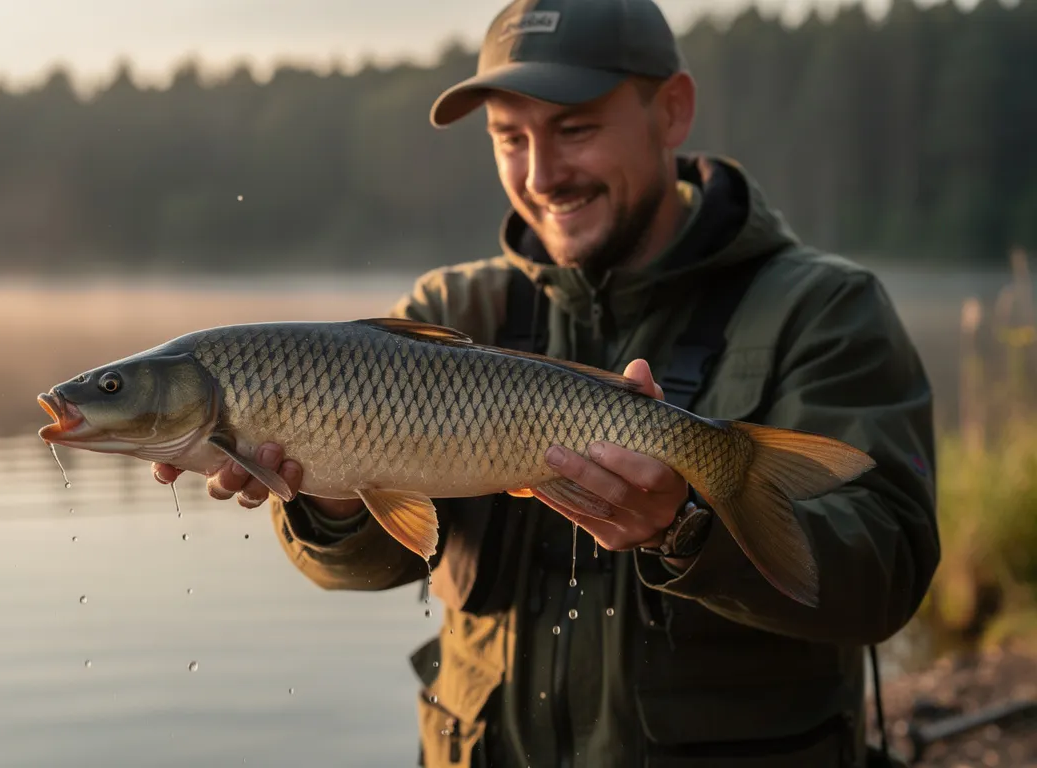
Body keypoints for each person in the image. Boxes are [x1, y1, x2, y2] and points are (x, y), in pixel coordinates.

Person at [152, 0, 939, 765]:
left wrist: (686, 527)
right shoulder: (448, 312)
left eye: (576, 129)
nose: (542, 173)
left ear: (672, 110)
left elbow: (887, 574)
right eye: (509, 137)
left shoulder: (824, 309)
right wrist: (327, 492)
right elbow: (373, 564)